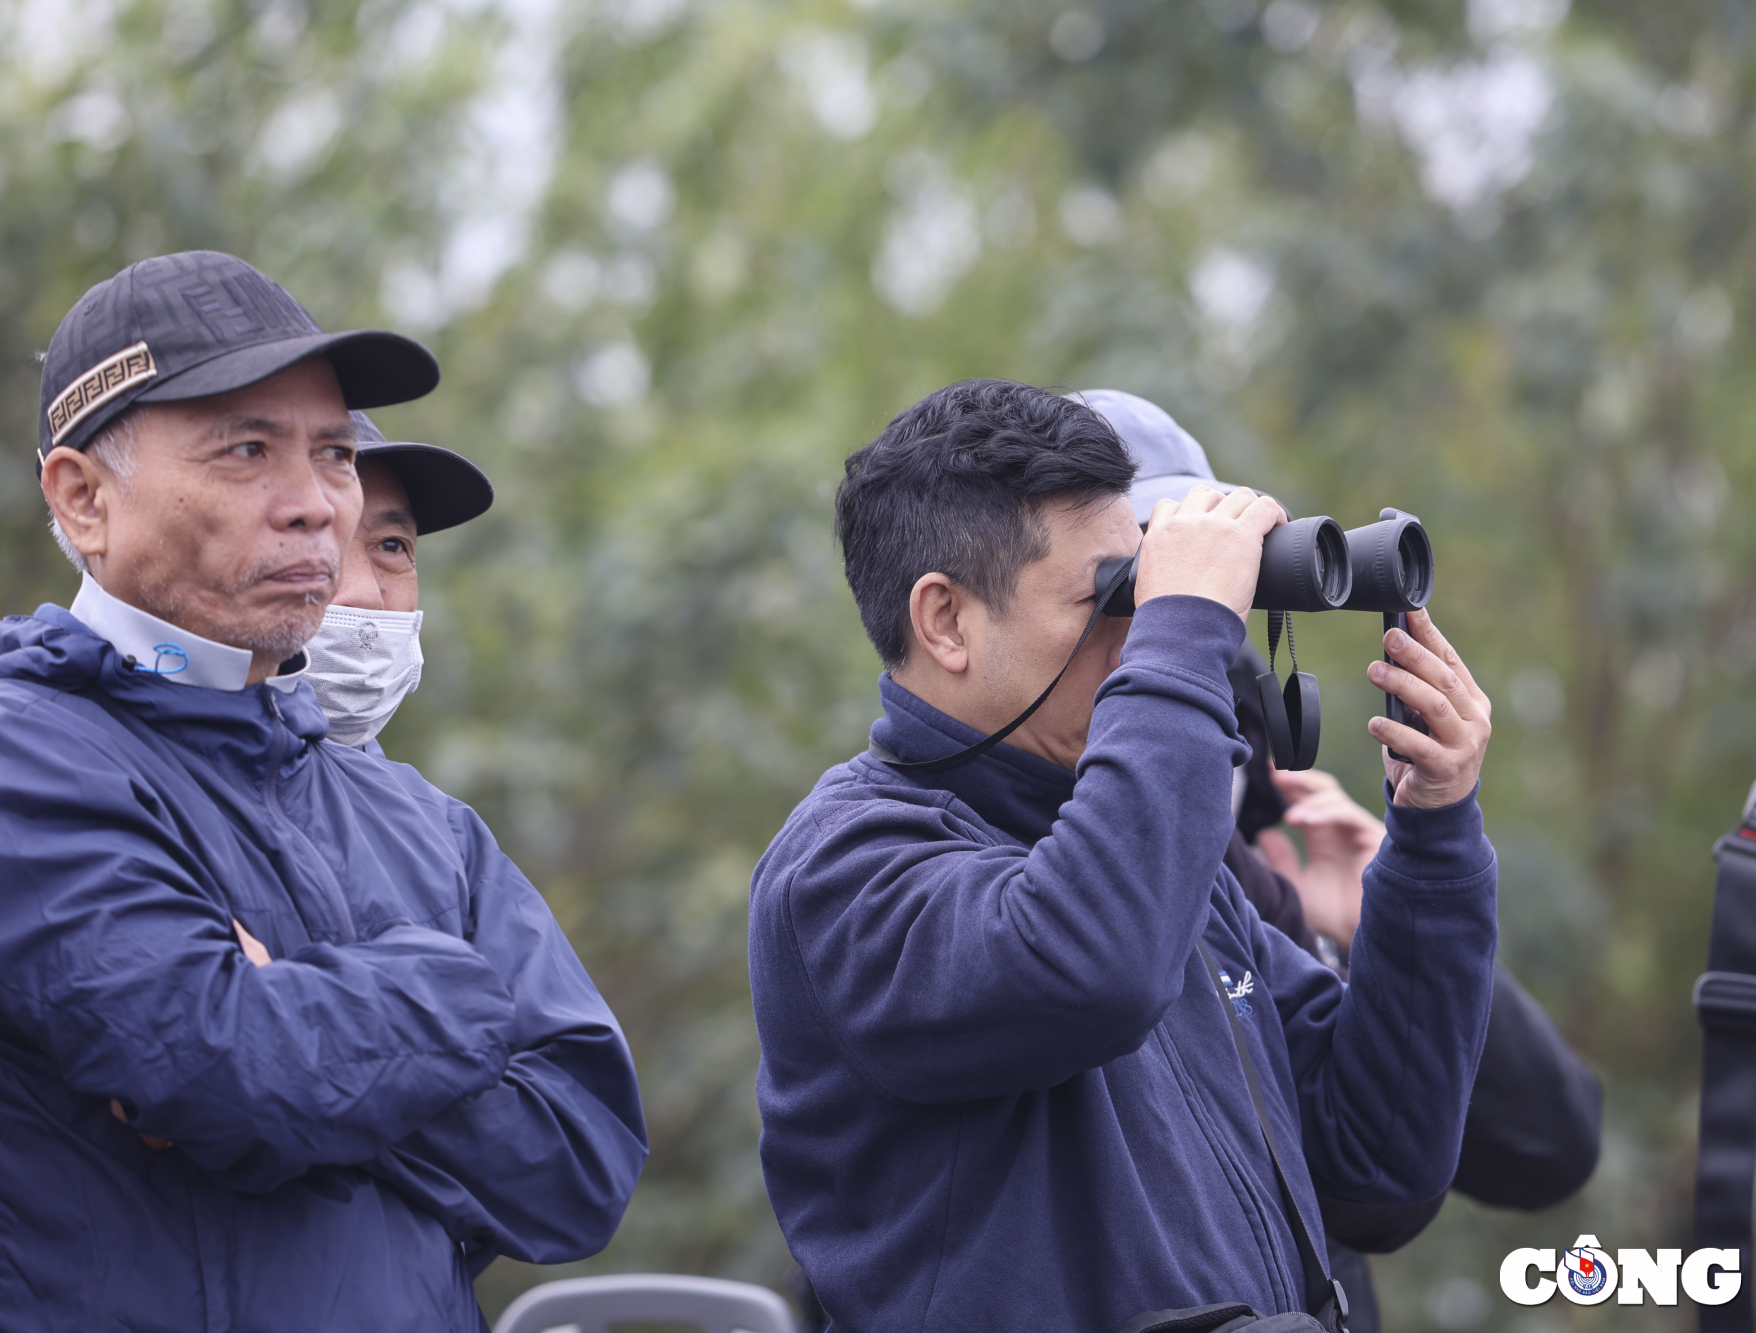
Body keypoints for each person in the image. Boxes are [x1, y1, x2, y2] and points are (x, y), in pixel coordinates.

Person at [750, 378, 1500, 1333]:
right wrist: (1187, 625)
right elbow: (1091, 967)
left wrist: (1432, 837)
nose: (1141, 631)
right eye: (1110, 597)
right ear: (945, 621)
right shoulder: (847, 866)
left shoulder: (1178, 870)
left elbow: (1379, 1165)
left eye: (1146, 592)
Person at [2, 250, 647, 1331]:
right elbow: (217, 1062)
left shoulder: (420, 819)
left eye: (335, 454)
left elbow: (579, 1163)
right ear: (82, 497)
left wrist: (312, 1021)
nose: (316, 509)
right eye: (247, 450)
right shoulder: (29, 750)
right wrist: (461, 994)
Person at [1078, 389, 1603, 1331]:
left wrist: (1383, 920)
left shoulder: (1259, 827)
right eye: (1137, 578)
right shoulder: (987, 855)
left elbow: (1545, 1148)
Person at [305, 410, 494, 749]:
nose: (365, 596)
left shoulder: (426, 805)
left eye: (391, 546)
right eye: (313, 535)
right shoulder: (177, 794)